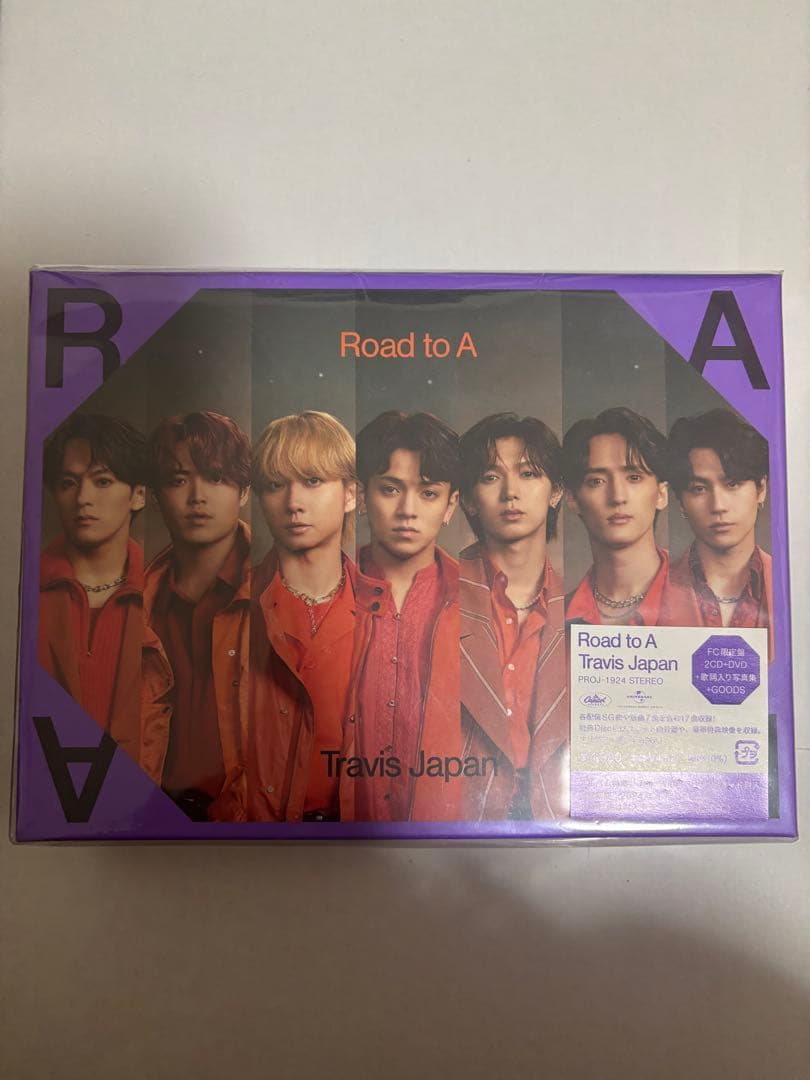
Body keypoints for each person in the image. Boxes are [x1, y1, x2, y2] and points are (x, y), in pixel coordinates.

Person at [350, 410, 462, 822]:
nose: (407, 510)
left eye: (428, 493)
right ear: (362, 496)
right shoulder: (330, 588)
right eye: (390, 489)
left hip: (445, 841)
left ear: (451, 505)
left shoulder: (476, 602)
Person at [247, 411, 358, 823]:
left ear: (350, 494)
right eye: (275, 485)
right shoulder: (233, 606)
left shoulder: (383, 610)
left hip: (358, 843)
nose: (293, 503)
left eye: (312, 481)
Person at [458, 413, 568, 821]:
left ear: (556, 491)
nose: (511, 493)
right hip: (460, 818)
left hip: (553, 821)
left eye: (528, 473)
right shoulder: (438, 592)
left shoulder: (579, 605)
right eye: (490, 477)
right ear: (468, 499)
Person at [143, 410, 252, 821]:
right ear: (155, 495)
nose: (197, 497)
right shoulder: (136, 600)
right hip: (150, 820)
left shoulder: (276, 587)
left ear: (244, 491)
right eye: (178, 480)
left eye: (216, 477)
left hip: (249, 823)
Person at [39, 413, 148, 765]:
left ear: (138, 495)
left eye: (102, 481)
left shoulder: (161, 592)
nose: (83, 498)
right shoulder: (24, 594)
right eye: (68, 483)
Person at [665, 409, 773, 656]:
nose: (718, 506)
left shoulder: (793, 585)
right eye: (699, 488)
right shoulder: (653, 591)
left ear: (761, 489)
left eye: (732, 484)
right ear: (681, 502)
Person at [563, 407, 671, 626]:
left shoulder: (702, 603)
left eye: (633, 477)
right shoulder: (559, 618)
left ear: (661, 494)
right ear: (573, 499)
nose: (617, 497)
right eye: (597, 481)